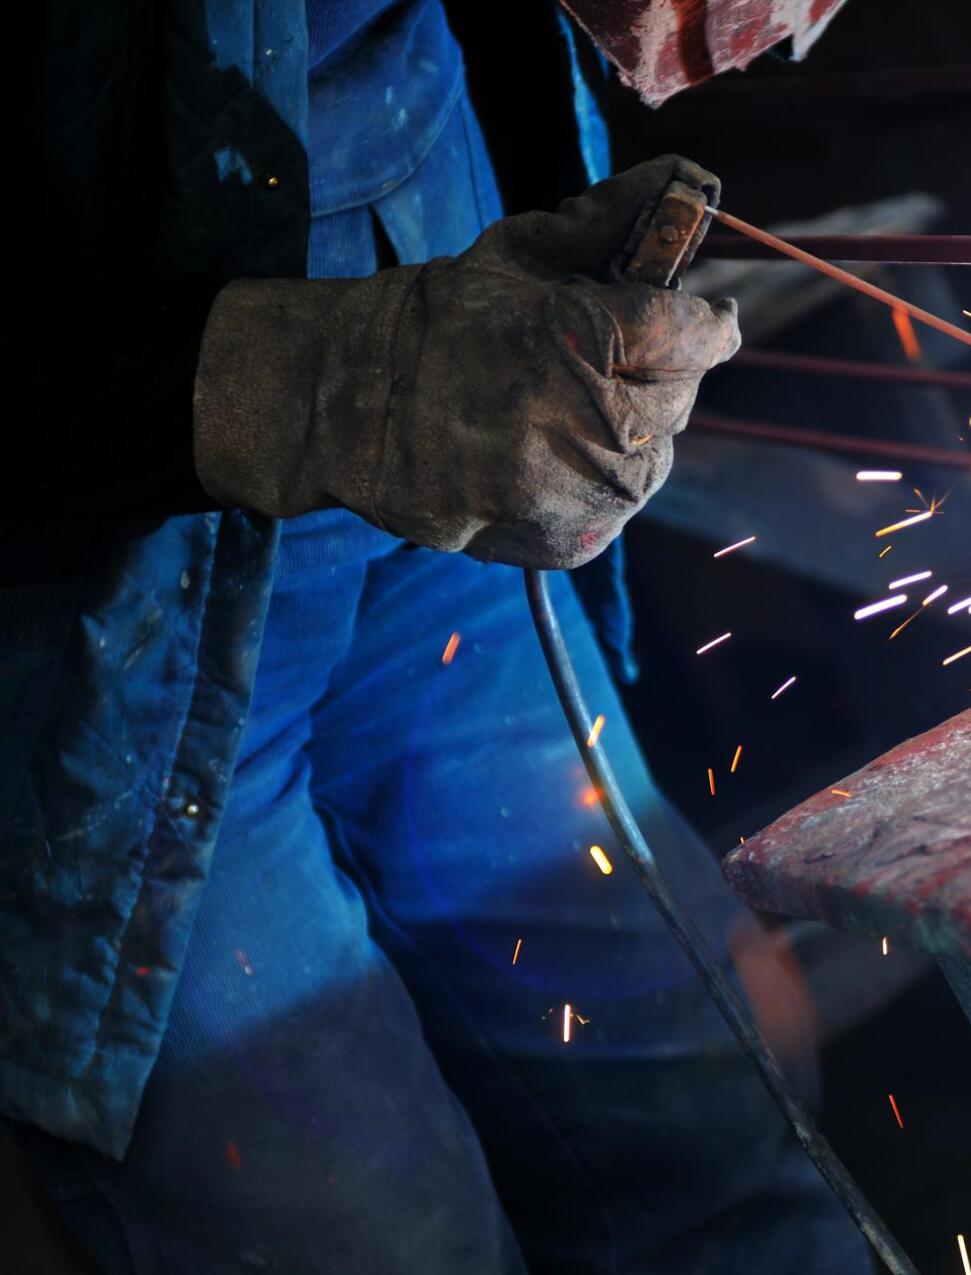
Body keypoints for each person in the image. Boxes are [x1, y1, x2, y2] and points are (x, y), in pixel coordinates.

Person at [3, 1, 866, 1270]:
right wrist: (328, 382)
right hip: (84, 644)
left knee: (715, 1130)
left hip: (447, 339)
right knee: (393, 1240)